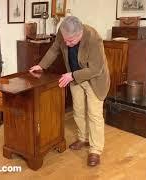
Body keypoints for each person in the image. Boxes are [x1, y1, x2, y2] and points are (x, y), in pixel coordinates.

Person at [29, 16, 110, 166]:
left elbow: (96, 69)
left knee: (94, 114)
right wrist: (42, 66)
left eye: (71, 41)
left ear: (80, 33)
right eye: (65, 40)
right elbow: (54, 49)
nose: (66, 43)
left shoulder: (93, 38)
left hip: (94, 78)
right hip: (73, 76)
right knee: (78, 110)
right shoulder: (64, 32)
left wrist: (72, 75)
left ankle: (95, 150)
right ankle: (83, 138)